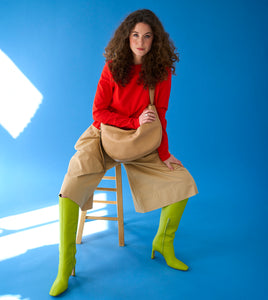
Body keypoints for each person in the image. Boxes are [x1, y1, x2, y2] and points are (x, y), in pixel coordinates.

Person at [49, 9, 198, 297]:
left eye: (147, 36)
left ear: (155, 40)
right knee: (70, 185)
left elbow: (161, 116)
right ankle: (65, 265)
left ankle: (163, 243)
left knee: (183, 183)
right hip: (104, 135)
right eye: (135, 36)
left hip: (141, 142)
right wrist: (132, 121)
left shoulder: (161, 73)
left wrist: (164, 154)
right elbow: (98, 112)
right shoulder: (113, 65)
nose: (140, 42)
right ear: (126, 38)